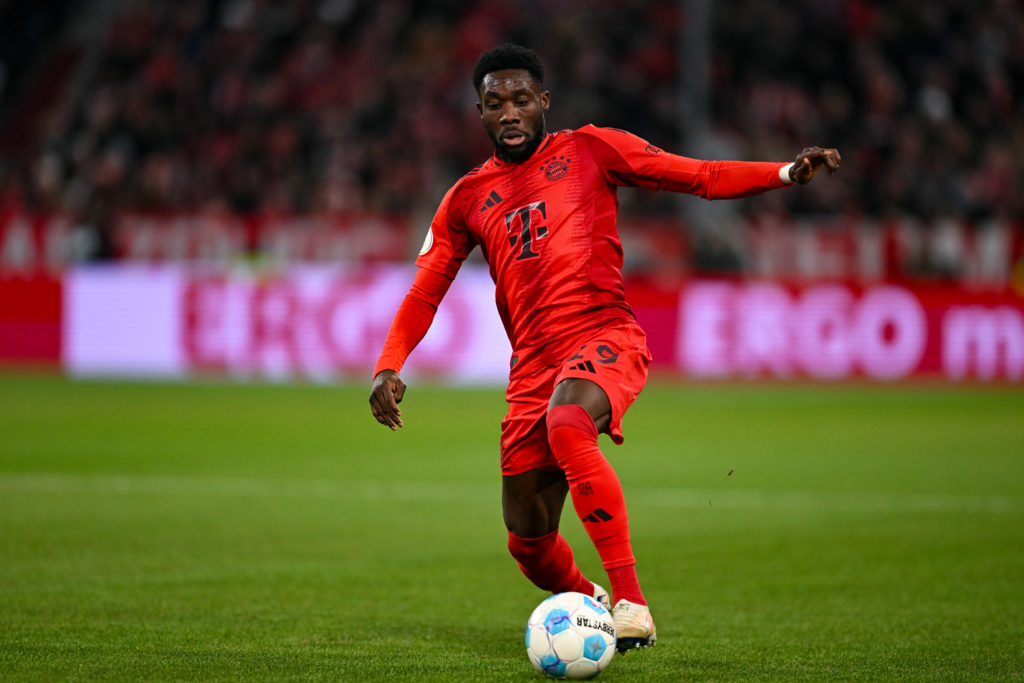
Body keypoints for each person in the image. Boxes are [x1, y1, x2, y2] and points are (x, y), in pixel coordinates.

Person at [369, 43, 840, 652]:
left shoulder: (591, 149)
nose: (508, 113)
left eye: (519, 100)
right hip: (531, 365)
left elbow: (697, 175)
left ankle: (631, 602)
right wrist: (388, 365)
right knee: (528, 542)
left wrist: (783, 173)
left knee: (568, 421)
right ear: (480, 112)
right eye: (494, 104)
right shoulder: (464, 199)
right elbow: (425, 291)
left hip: (603, 334)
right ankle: (589, 600)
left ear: (543, 101)